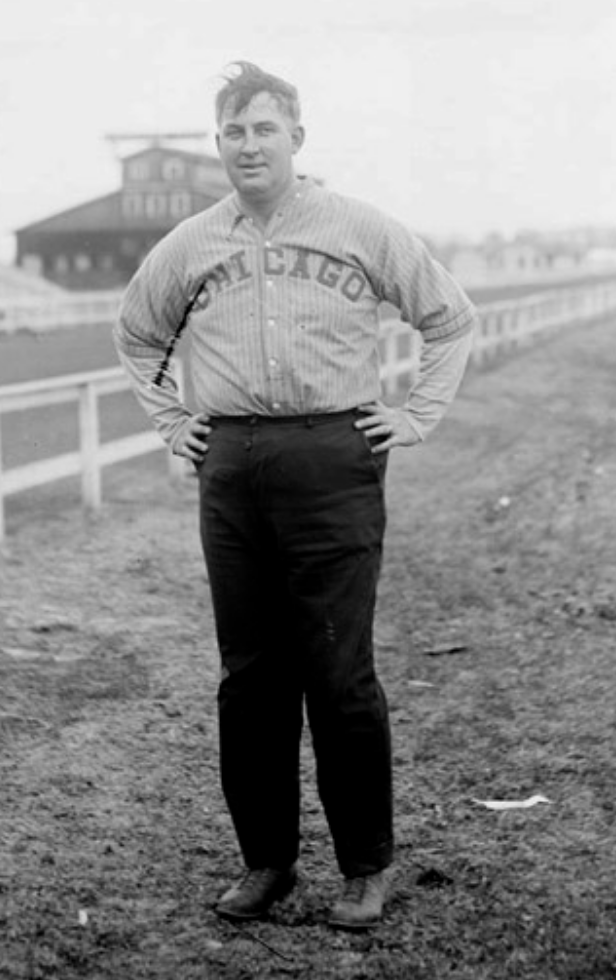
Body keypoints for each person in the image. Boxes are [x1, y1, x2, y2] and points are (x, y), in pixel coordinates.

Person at [114, 61, 476, 930]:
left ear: (297, 138)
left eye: (264, 129)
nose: (248, 145)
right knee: (250, 680)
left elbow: (448, 316)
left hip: (332, 457)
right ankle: (266, 862)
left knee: (338, 672)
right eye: (234, 132)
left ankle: (364, 868)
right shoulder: (193, 241)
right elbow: (135, 333)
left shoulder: (357, 226)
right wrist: (172, 423)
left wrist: (417, 414)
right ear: (218, 145)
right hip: (231, 464)